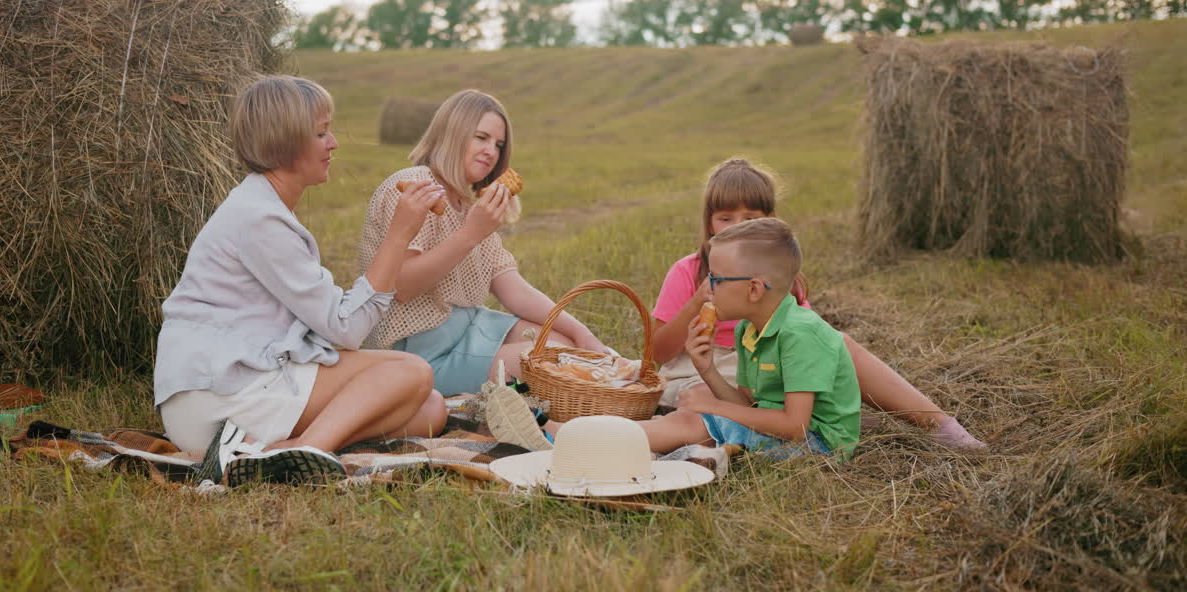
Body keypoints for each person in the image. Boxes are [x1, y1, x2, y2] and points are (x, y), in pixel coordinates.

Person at [154, 76, 449, 484]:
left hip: (242, 385)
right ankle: (305, 451)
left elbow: (329, 322)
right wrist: (399, 234)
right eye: (321, 133)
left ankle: (282, 448)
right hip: (216, 397)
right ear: (286, 143)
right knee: (412, 373)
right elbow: (346, 329)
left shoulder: (262, 207)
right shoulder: (259, 219)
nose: (334, 144)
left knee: (431, 410)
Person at [651, 158, 985, 450]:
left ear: (769, 222)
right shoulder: (689, 271)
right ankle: (670, 437)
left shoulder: (779, 281)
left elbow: (807, 344)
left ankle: (937, 424)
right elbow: (657, 355)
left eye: (750, 218)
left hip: (763, 365)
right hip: (702, 366)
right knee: (702, 405)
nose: (739, 227)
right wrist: (697, 302)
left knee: (840, 344)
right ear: (709, 222)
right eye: (726, 219)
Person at [495, 218, 861, 460]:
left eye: (717, 279)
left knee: (696, 422)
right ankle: (578, 434)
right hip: (788, 430)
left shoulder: (800, 332)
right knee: (697, 415)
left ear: (753, 289)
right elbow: (750, 405)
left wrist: (715, 408)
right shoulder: (749, 329)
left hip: (820, 445)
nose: (709, 288)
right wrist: (710, 373)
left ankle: (568, 438)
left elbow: (795, 426)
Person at [358, 89, 608, 396]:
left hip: (468, 329)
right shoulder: (414, 186)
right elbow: (403, 286)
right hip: (416, 350)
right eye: (481, 137)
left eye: (499, 145)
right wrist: (471, 234)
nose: (492, 151)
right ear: (453, 134)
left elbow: (513, 288)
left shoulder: (469, 206)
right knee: (547, 362)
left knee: (566, 344)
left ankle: (528, 398)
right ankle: (517, 405)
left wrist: (584, 334)